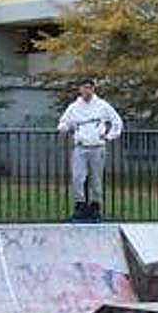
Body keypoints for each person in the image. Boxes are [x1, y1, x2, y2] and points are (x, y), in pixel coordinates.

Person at [57, 78, 123, 222]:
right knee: (77, 177)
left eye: (90, 88)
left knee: (96, 179)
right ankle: (80, 205)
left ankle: (95, 207)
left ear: (93, 89)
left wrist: (110, 136)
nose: (87, 91)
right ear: (80, 89)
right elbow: (64, 122)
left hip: (97, 147)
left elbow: (117, 121)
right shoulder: (74, 107)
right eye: (84, 87)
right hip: (80, 147)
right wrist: (63, 128)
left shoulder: (102, 106)